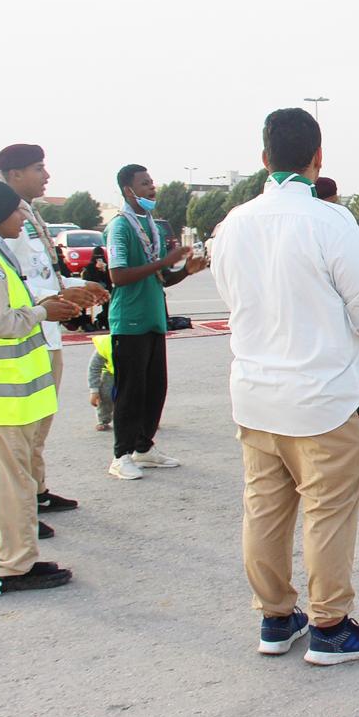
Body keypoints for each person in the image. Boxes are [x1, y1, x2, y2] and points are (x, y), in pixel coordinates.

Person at [211, 107, 359, 665]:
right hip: (324, 399)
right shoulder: (329, 221)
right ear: (318, 157)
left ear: (264, 158)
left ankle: (275, 618)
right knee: (328, 512)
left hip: (256, 396)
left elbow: (231, 296)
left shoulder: (234, 223)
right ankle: (330, 626)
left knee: (264, 511)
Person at [0, 178, 82, 592]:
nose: (22, 218)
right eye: (15, 211)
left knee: (4, 474)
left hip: (5, 390)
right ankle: (14, 564)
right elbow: (0, 324)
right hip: (6, 389)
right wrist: (42, 313)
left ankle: (0, 555)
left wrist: (40, 306)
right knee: (14, 479)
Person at [0, 143, 109, 528]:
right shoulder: (5, 221)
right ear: (15, 175)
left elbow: (44, 275)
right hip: (28, 335)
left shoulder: (29, 214)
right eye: (38, 168)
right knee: (21, 434)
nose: (46, 176)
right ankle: (21, 508)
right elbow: (15, 285)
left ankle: (37, 492)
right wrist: (57, 298)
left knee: (40, 425)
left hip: (47, 332)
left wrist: (78, 286)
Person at [105, 164, 207, 480]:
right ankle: (121, 455)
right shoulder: (120, 227)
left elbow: (161, 277)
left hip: (153, 319)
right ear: (128, 190)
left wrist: (185, 271)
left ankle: (144, 447)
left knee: (154, 389)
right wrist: (162, 262)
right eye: (144, 183)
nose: (152, 188)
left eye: (152, 182)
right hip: (129, 321)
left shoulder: (153, 226)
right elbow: (118, 275)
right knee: (130, 391)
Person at [79, 246, 113, 331]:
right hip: (91, 290)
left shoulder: (107, 266)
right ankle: (84, 323)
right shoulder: (89, 267)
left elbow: (109, 280)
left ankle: (104, 319)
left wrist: (104, 270)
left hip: (105, 290)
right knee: (82, 301)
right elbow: (88, 280)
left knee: (110, 302)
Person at [88, 334, 115, 432]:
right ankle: (103, 419)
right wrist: (94, 391)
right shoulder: (106, 343)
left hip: (136, 373)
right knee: (105, 393)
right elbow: (94, 368)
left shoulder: (143, 339)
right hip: (111, 374)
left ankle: (147, 418)